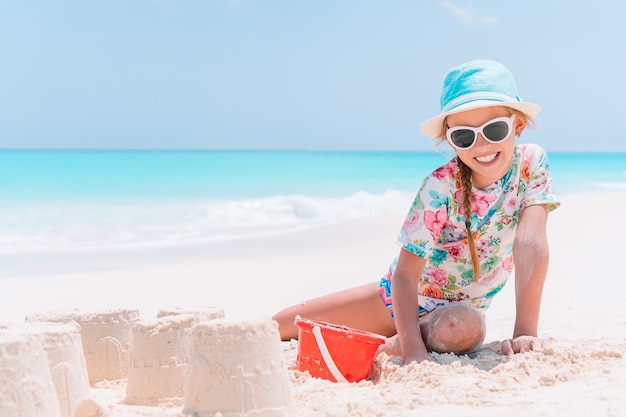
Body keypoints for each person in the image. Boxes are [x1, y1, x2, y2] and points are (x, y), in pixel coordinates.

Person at [272, 59, 560, 365]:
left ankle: (393, 343)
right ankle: (404, 337)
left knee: (461, 327)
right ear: (449, 139)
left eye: (494, 129)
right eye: (465, 136)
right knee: (279, 326)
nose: (482, 145)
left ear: (518, 125)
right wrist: (413, 350)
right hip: (398, 300)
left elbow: (530, 243)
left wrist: (525, 331)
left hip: (459, 316)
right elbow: (405, 276)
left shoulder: (531, 162)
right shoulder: (439, 186)